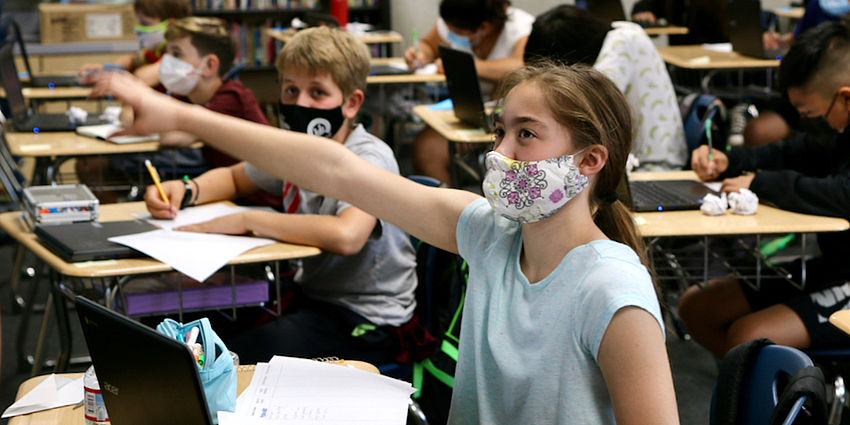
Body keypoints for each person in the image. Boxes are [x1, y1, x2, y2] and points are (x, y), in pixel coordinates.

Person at [91, 61, 679, 424]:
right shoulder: (490, 235)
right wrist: (181, 116)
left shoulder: (610, 288)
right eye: (501, 131)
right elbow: (336, 170)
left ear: (589, 161)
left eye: (526, 134)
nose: (502, 152)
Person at [138, 26, 418, 366]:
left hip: (366, 318)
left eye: (317, 93)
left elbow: (348, 235)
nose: (301, 104)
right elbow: (235, 177)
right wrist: (186, 190)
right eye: (290, 90)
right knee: (173, 327)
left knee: (229, 358)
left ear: (351, 102)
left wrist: (249, 220)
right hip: (309, 297)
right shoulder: (295, 149)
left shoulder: (369, 157)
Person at [680, 22, 850, 357]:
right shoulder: (840, 129)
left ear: (845, 97)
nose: (810, 122)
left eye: (812, 113)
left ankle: (784, 401)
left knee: (748, 337)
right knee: (698, 309)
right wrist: (730, 160)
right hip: (833, 267)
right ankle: (760, 397)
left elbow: (843, 196)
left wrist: (760, 183)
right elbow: (797, 151)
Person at [76, 17, 276, 206]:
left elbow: (173, 139)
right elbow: (138, 116)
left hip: (257, 199)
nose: (166, 62)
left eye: (177, 54)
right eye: (167, 54)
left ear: (210, 65)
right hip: (226, 192)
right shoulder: (187, 94)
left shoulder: (232, 97)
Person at [525, 5, 687, 171]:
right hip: (639, 161)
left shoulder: (622, 42)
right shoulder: (620, 31)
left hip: (654, 165)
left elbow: (587, 104)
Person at [406, 0, 534, 184]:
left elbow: (522, 66)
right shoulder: (454, 19)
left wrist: (466, 66)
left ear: (485, 27)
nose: (451, 35)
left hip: (506, 118)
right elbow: (428, 44)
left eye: (458, 32)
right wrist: (422, 54)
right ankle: (446, 207)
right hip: (469, 112)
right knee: (426, 149)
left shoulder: (521, 29)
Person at [79, 0, 192, 87]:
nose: (139, 29)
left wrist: (113, 77)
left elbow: (144, 77)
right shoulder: (156, 51)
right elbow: (133, 59)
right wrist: (105, 69)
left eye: (145, 24)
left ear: (170, 25)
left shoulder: (181, 55)